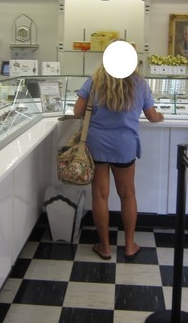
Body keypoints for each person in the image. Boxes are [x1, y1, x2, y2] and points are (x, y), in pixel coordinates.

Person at [73, 64, 164, 260]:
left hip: (97, 144)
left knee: (100, 196)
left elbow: (77, 111)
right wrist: (160, 116)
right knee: (128, 194)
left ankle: (104, 247)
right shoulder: (140, 83)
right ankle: (129, 245)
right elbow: (152, 116)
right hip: (125, 145)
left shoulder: (94, 80)